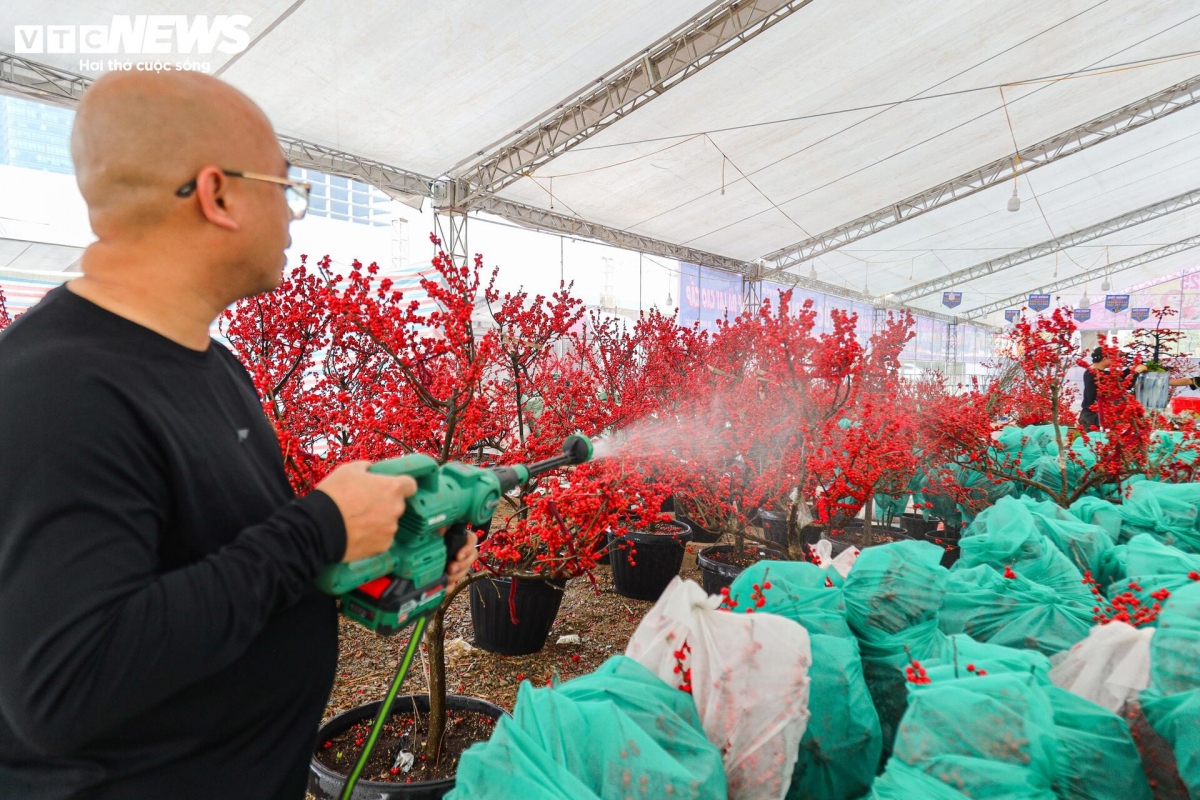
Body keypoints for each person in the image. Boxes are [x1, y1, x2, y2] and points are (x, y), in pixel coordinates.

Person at [0, 70, 477, 799]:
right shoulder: (56, 392)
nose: (293, 216)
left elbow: (224, 570)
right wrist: (319, 528)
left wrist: (377, 568)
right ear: (217, 194)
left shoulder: (213, 365)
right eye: (285, 188)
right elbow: (64, 686)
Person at [1079, 346, 1146, 430]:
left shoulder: (1090, 372)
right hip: (1094, 417)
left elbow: (1113, 377)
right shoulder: (1098, 375)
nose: (1114, 361)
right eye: (1112, 358)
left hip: (1088, 413)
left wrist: (1128, 370)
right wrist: (1136, 372)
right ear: (1104, 359)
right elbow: (1125, 386)